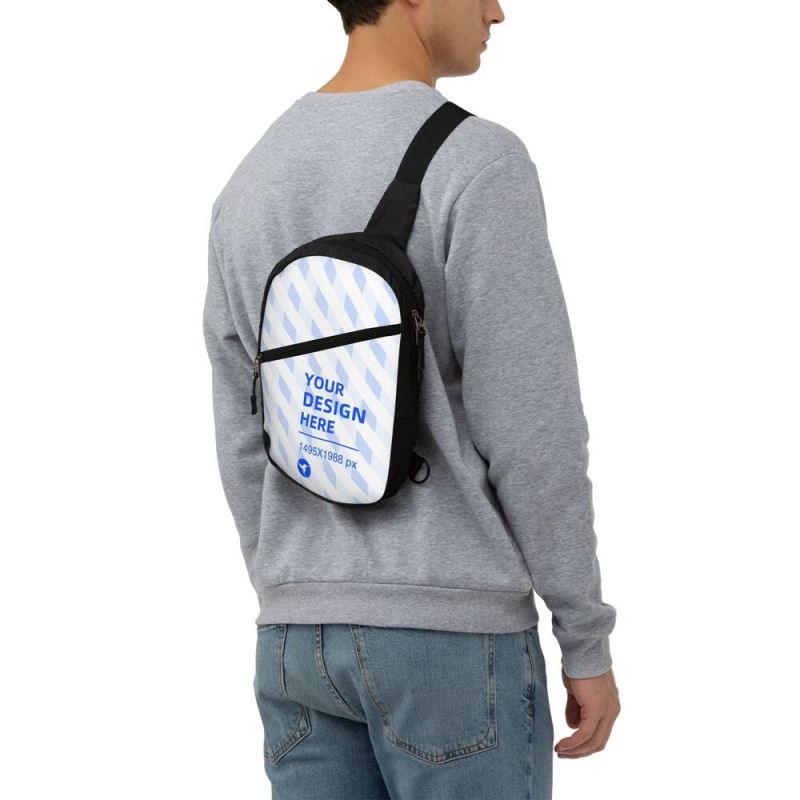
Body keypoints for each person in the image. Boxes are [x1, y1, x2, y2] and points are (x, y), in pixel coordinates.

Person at [202, 1, 621, 797]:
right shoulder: (478, 160)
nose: (498, 10)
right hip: (451, 637)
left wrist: (295, 583)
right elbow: (533, 430)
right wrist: (585, 636)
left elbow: (240, 430)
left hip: (294, 642)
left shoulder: (250, 180)